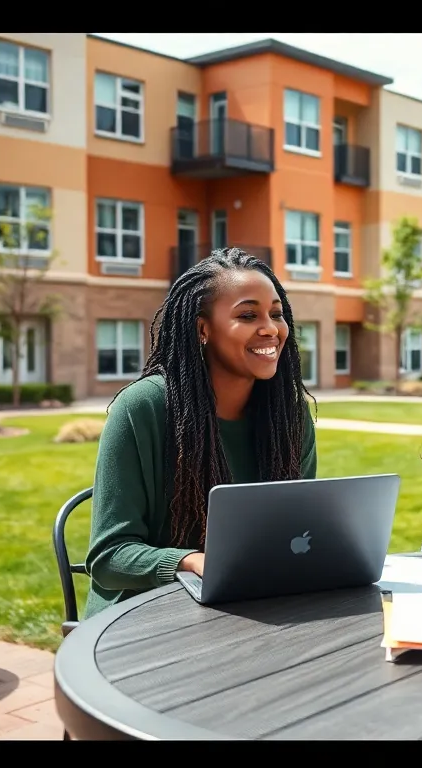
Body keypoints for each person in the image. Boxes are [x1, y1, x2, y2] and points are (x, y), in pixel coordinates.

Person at [83, 248, 317, 618]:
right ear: (202, 329)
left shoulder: (288, 414)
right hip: (141, 615)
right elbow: (109, 557)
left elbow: (298, 534)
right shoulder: (142, 408)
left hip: (250, 603)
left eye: (276, 313)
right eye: (247, 315)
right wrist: (192, 561)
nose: (271, 328)